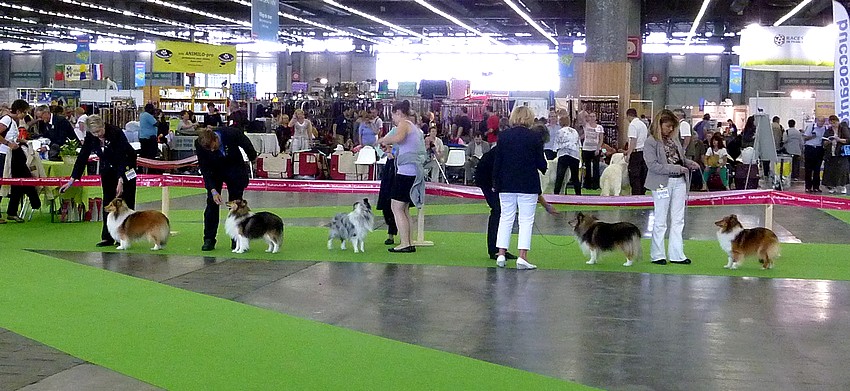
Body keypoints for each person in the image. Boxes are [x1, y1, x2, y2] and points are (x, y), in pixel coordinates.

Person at [59, 115, 137, 247]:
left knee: (125, 203)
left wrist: (121, 179)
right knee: (108, 202)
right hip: (107, 169)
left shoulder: (115, 132)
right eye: (94, 133)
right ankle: (108, 237)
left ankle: (125, 236)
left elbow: (122, 157)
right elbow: (83, 156)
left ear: (103, 126)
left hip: (126, 168)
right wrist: (72, 179)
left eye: (100, 131)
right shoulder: (91, 136)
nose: (98, 134)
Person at [492, 105, 548, 270]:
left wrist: (495, 183)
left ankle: (501, 254)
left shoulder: (503, 136)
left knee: (505, 218)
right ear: (529, 118)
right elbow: (540, 163)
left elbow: (498, 161)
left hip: (506, 184)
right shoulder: (535, 137)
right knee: (526, 221)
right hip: (528, 184)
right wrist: (543, 166)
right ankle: (522, 257)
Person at [644, 109, 700, 265]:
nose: (670, 129)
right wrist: (676, 168)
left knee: (678, 219)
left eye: (672, 127)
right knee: (660, 219)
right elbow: (653, 166)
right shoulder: (650, 142)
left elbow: (679, 159)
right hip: (662, 183)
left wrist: (688, 163)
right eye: (668, 126)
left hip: (680, 182)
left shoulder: (674, 140)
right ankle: (657, 254)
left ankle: (677, 254)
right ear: (659, 124)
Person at [195, 126, 257, 251]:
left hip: (235, 169)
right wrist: (213, 191)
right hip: (214, 172)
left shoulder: (231, 133)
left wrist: (253, 158)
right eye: (209, 149)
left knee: (236, 204)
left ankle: (237, 239)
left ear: (216, 139)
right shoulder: (199, 144)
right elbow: (205, 169)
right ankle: (209, 239)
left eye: (214, 147)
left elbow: (246, 144)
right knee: (212, 204)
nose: (212, 150)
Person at [377, 100, 426, 253]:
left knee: (396, 207)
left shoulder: (404, 124)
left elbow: (398, 138)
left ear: (398, 113)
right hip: (410, 170)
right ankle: (408, 241)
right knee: (403, 209)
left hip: (407, 172)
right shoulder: (413, 127)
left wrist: (382, 140)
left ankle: (405, 243)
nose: (393, 120)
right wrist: (390, 148)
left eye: (393, 116)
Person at [0, 100, 39, 224]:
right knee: (2, 183)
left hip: (13, 155)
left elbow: (9, 136)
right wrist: (8, 143)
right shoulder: (6, 120)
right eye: (24, 112)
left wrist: (19, 141)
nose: (25, 115)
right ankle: (33, 202)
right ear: (18, 111)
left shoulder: (14, 122)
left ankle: (12, 211)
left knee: (18, 183)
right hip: (4, 155)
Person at [377, 137, 398, 245]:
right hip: (388, 175)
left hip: (396, 175)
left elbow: (396, 152)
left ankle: (393, 235)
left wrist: (392, 151)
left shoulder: (398, 144)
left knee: (396, 208)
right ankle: (391, 234)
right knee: (387, 207)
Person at [552, 116, 581, 195]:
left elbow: (556, 145)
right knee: (575, 177)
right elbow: (578, 144)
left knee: (560, 176)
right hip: (575, 155)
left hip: (564, 154)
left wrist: (555, 152)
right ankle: (578, 194)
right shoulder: (575, 131)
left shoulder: (560, 131)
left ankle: (556, 194)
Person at [822, 115, 850, 194]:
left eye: (834, 123)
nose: (833, 124)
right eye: (831, 123)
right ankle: (832, 186)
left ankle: (843, 186)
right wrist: (828, 141)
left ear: (838, 121)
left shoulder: (843, 129)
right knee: (830, 170)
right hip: (831, 153)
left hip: (841, 153)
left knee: (842, 170)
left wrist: (839, 139)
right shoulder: (829, 130)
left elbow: (848, 140)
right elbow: (824, 141)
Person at [625, 108, 649, 195]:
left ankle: (636, 194)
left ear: (628, 116)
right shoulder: (643, 124)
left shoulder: (633, 125)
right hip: (643, 152)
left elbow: (633, 140)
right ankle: (642, 193)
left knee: (634, 175)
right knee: (642, 174)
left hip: (635, 153)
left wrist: (628, 154)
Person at [803, 117, 826, 193]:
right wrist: (812, 136)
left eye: (822, 121)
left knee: (817, 169)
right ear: (817, 121)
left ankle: (816, 187)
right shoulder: (811, 126)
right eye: (820, 121)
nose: (821, 123)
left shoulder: (825, 128)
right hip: (810, 148)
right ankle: (808, 187)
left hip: (819, 149)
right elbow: (804, 138)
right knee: (808, 169)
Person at [581, 112, 603, 190]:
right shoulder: (586, 125)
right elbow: (581, 118)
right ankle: (587, 185)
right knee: (587, 167)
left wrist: (598, 149)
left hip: (595, 149)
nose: (592, 118)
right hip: (586, 149)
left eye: (594, 116)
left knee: (596, 167)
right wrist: (583, 110)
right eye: (591, 116)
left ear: (596, 117)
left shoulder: (600, 127)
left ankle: (596, 185)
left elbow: (601, 139)